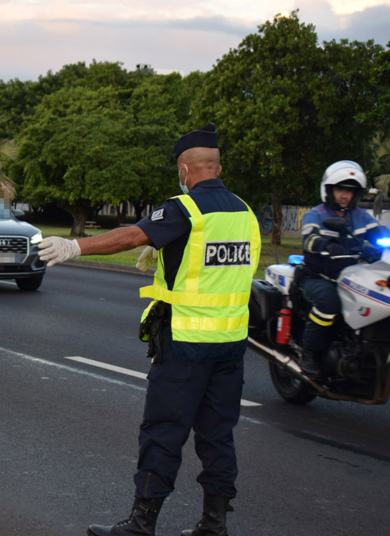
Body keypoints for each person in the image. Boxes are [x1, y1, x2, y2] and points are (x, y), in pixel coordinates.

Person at [39, 123, 261, 536]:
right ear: (218, 166)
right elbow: (217, 264)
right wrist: (165, 248)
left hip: (186, 346)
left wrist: (75, 246)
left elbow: (131, 233)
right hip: (230, 345)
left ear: (184, 169)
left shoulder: (184, 208)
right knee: (218, 437)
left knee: (163, 432)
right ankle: (214, 526)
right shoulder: (245, 213)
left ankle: (141, 525)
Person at [298, 160, 387, 380]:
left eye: (349, 191)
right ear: (329, 190)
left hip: (349, 276)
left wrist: (381, 240)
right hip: (317, 276)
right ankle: (307, 353)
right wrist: (323, 244)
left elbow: (377, 233)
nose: (344, 195)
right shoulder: (316, 214)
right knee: (329, 303)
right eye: (340, 189)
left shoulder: (360, 216)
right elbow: (308, 239)